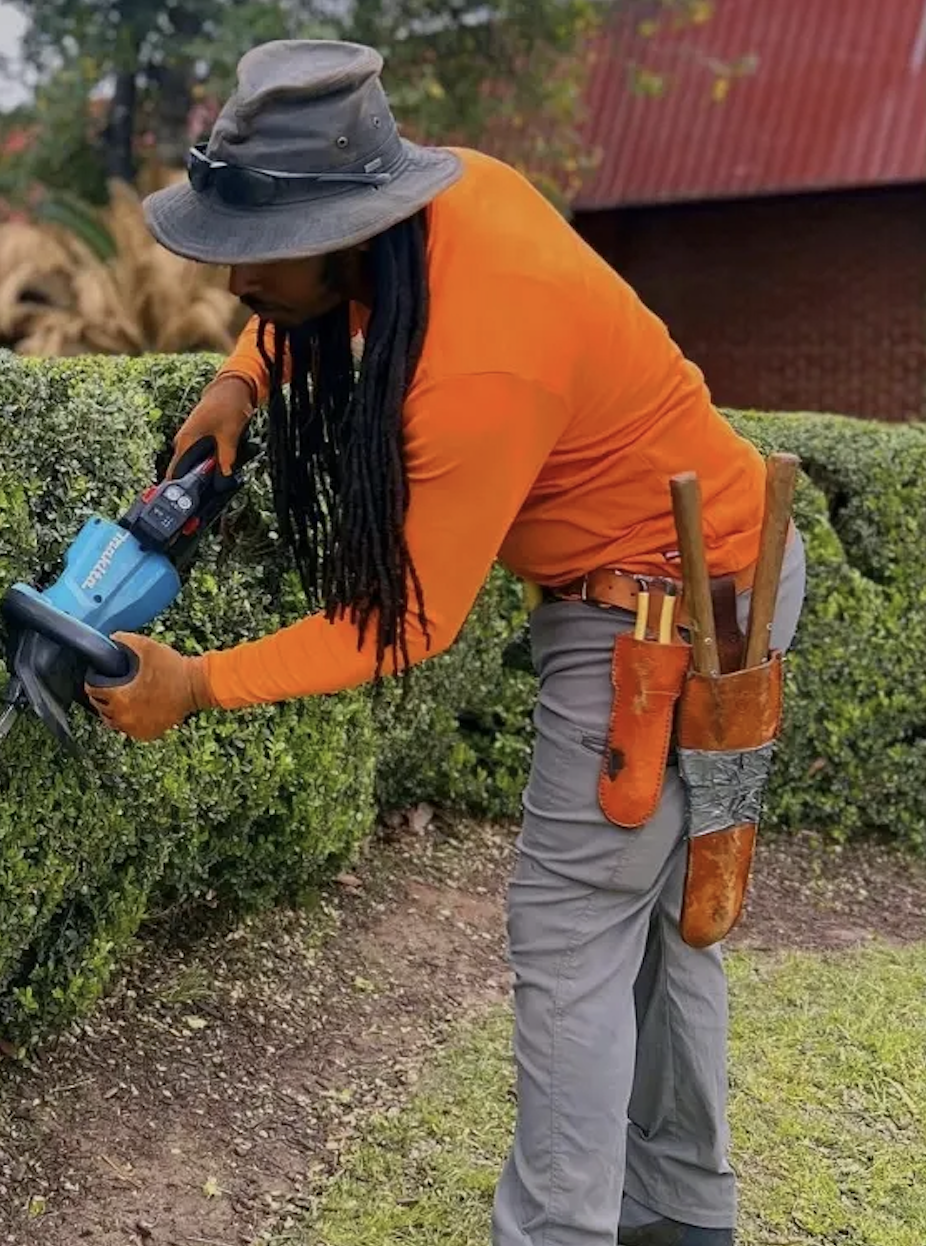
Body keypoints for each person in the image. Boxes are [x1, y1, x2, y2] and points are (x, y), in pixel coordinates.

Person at [86, 39, 807, 1246]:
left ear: (349, 224)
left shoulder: (481, 363)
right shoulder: (442, 197)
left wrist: (198, 683)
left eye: (255, 260)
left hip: (670, 612)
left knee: (572, 924)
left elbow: (408, 622)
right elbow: (320, 299)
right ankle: (683, 1212)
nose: (235, 286)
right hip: (701, 575)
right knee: (662, 920)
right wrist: (242, 379)